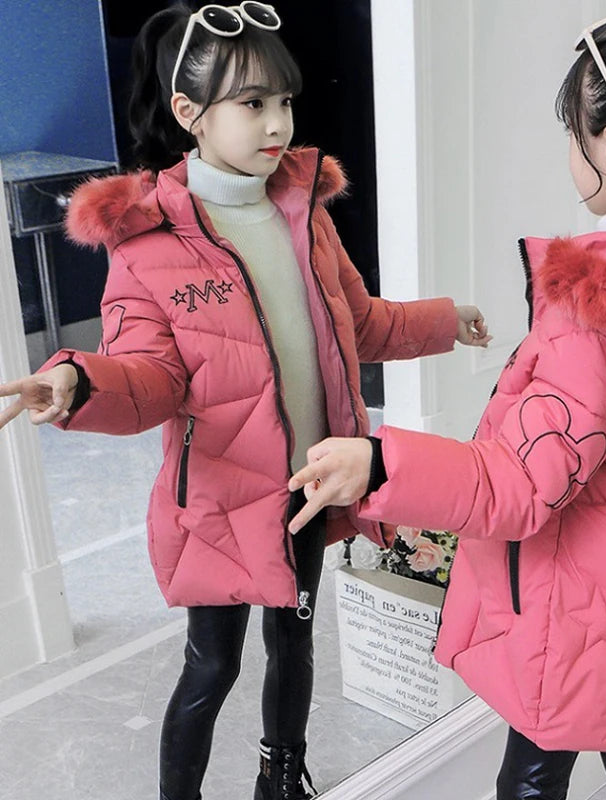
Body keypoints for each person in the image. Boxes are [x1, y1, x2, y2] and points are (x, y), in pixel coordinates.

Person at [286, 14, 606, 800]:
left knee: (532, 774)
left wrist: (382, 462)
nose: (570, 150)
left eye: (573, 132)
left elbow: (521, 484)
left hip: (575, 609)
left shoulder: (600, 311)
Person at [0, 4, 490, 800]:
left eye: (284, 101)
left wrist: (443, 319)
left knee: (295, 644)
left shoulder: (304, 211)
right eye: (253, 103)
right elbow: (151, 379)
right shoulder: (147, 244)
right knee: (213, 665)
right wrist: (79, 381)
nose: (277, 123)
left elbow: (359, 324)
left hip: (308, 484)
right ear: (189, 112)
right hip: (221, 500)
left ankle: (281, 778)